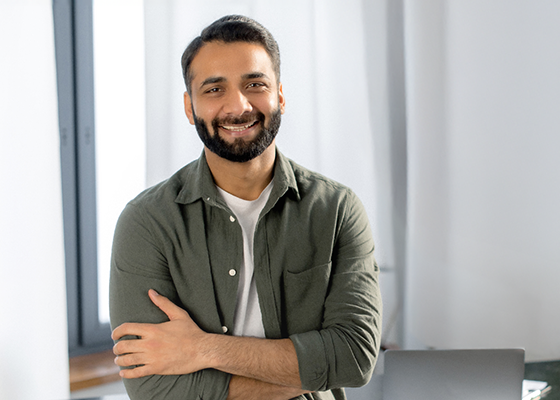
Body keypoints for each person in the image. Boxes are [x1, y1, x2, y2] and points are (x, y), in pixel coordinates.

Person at [109, 14, 382, 400]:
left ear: (280, 96)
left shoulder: (336, 211)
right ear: (190, 108)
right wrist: (305, 370)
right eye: (214, 89)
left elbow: (354, 358)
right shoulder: (147, 222)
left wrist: (200, 348)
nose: (238, 106)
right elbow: (151, 385)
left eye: (255, 84)